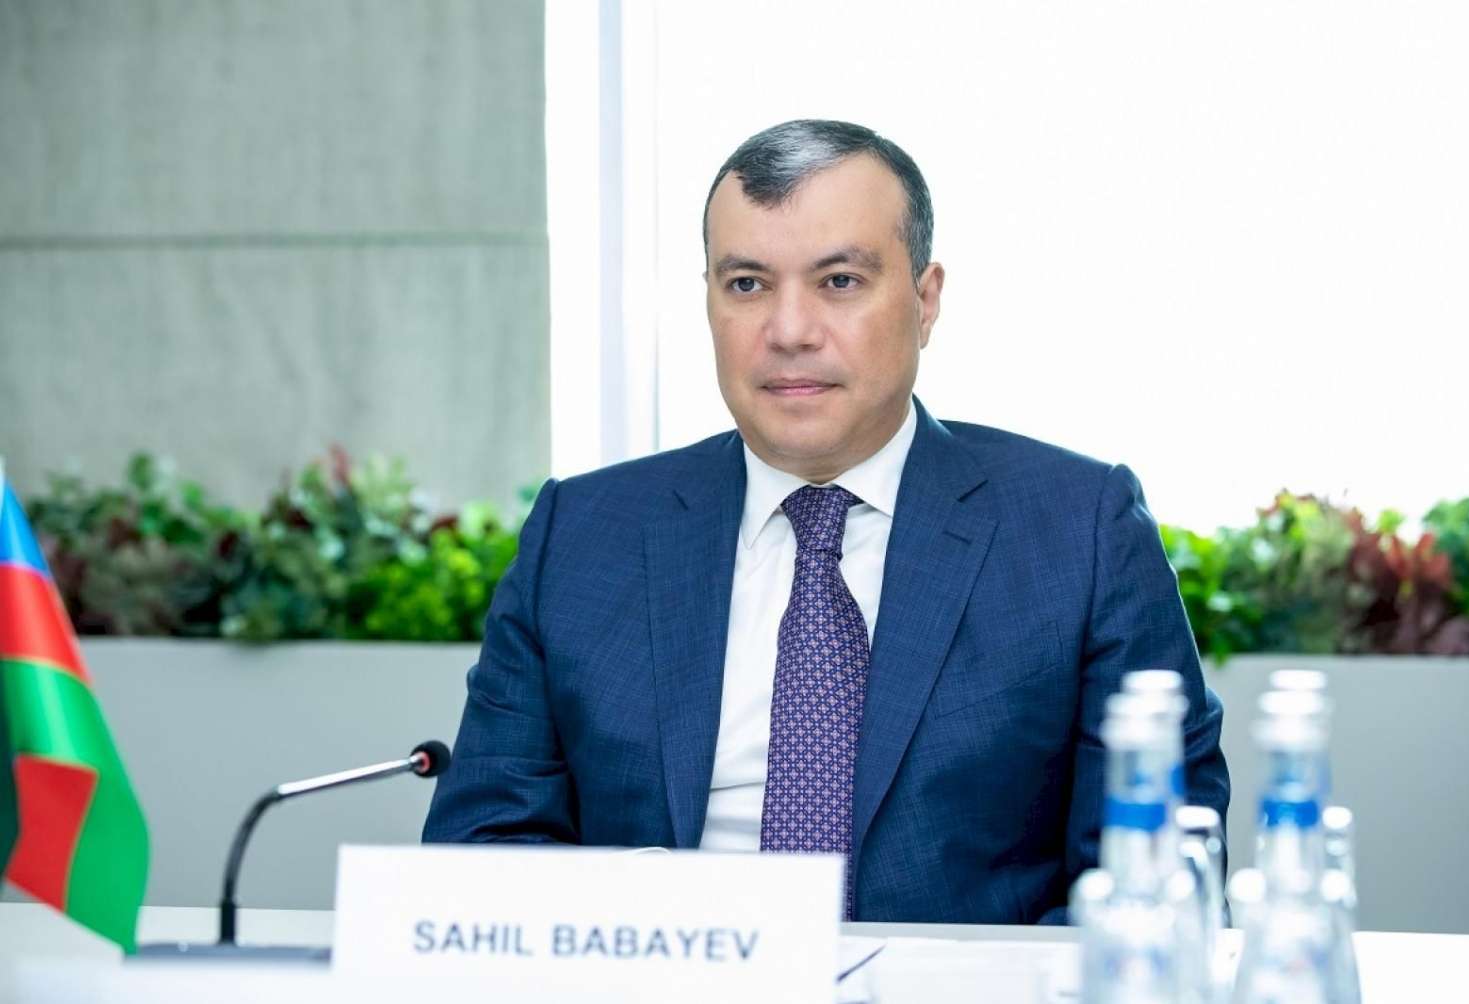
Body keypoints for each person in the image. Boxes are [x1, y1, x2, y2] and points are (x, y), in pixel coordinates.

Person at [423, 119, 1229, 924]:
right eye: (747, 284)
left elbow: (1153, 888)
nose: (789, 332)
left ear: (925, 300)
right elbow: (483, 855)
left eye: (839, 281)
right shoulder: (583, 533)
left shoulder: (1078, 531)